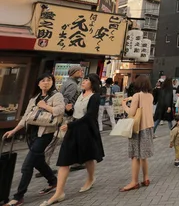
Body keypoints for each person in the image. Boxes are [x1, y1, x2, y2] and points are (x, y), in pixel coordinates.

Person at [41, 74, 104, 206]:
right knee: (64, 160)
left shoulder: (95, 97)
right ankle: (59, 192)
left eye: (86, 80)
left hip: (86, 130)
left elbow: (89, 116)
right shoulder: (81, 95)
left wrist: (70, 125)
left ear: (93, 83)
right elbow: (76, 113)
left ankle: (91, 179)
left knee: (88, 157)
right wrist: (69, 111)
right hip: (74, 129)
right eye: (83, 80)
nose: (83, 82)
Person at [2, 74, 65, 206]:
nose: (46, 82)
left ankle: (18, 196)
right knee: (38, 161)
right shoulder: (34, 98)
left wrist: (45, 106)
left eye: (49, 80)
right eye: (43, 80)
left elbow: (60, 111)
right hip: (32, 134)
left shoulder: (56, 95)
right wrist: (14, 130)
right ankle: (53, 181)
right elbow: (26, 116)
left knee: (27, 165)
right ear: (38, 83)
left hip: (45, 134)